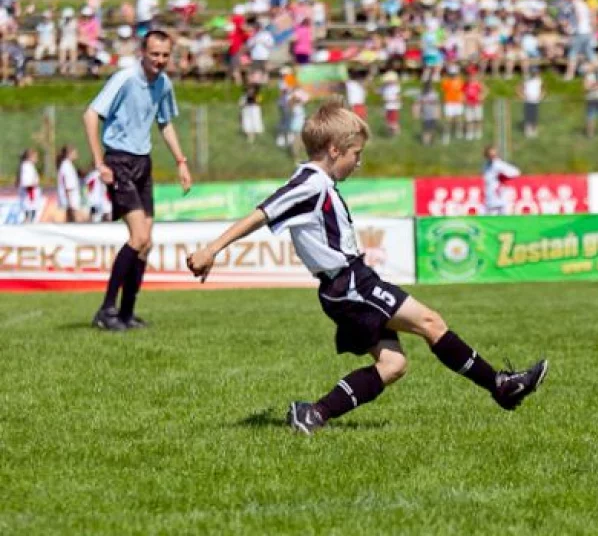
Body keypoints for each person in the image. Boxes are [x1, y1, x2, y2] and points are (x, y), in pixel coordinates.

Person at [186, 102, 547, 433]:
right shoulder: (310, 182)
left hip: (345, 285)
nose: (358, 162)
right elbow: (263, 212)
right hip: (349, 283)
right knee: (431, 322)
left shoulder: (319, 183)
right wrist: (212, 249)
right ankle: (500, 386)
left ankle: (313, 413)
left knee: (393, 365)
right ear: (334, 150)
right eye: (355, 153)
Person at [82, 30, 192, 331]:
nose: (159, 60)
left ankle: (127, 314)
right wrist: (99, 162)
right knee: (138, 237)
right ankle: (106, 310)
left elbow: (165, 122)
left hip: (143, 162)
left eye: (165, 55)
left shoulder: (164, 83)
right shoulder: (125, 79)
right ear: (142, 52)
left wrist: (181, 161)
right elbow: (91, 115)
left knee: (146, 243)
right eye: (154, 53)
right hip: (119, 161)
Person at [483, 145, 520, 215]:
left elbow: (516, 172)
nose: (492, 156)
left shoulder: (498, 164)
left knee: (501, 219)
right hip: (489, 197)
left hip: (499, 196)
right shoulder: (485, 165)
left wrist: (504, 177)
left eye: (494, 154)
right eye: (490, 155)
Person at [56, 145, 83, 222]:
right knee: (76, 219)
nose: (77, 154)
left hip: (70, 197)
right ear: (69, 153)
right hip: (71, 197)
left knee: (70, 221)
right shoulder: (66, 166)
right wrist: (70, 200)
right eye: (75, 152)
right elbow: (67, 184)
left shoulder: (67, 165)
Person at [517, 67, 544, 139]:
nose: (534, 74)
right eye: (533, 72)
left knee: (534, 115)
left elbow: (542, 89)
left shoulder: (539, 80)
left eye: (536, 73)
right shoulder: (526, 79)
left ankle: (534, 130)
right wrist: (522, 95)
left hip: (535, 101)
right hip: (528, 100)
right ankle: (528, 131)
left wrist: (541, 96)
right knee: (528, 115)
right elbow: (519, 88)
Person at [463, 65, 488, 141]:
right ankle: (469, 132)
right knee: (469, 120)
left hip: (477, 104)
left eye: (472, 75)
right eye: (469, 75)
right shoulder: (466, 84)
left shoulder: (478, 84)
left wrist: (481, 97)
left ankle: (478, 132)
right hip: (468, 104)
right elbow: (463, 93)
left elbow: (486, 91)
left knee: (478, 119)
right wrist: (464, 100)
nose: (471, 77)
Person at [441, 65, 465, 141]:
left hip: (458, 102)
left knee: (459, 119)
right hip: (449, 102)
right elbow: (444, 90)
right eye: (452, 74)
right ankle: (446, 135)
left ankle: (459, 133)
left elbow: (463, 91)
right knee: (448, 120)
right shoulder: (446, 81)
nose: (453, 75)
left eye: (454, 74)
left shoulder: (461, 81)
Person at [16, 148, 41, 224]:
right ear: (30, 157)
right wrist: (31, 185)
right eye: (35, 157)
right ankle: (27, 219)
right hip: (29, 189)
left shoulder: (29, 165)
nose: (37, 159)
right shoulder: (26, 166)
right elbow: (26, 180)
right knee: (29, 205)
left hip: (31, 189)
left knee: (32, 206)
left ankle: (30, 219)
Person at [415, 80, 441, 146]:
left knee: (432, 129)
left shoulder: (434, 94)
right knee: (426, 129)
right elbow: (417, 104)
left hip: (433, 114)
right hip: (425, 115)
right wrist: (417, 113)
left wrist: (438, 113)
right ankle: (425, 143)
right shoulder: (421, 95)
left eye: (430, 87)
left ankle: (432, 141)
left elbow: (437, 105)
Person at [379, 70, 402, 136]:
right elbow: (380, 95)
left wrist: (390, 100)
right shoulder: (384, 87)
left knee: (394, 122)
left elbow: (398, 97)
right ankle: (390, 134)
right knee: (388, 122)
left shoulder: (396, 87)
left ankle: (396, 134)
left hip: (393, 107)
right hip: (386, 107)